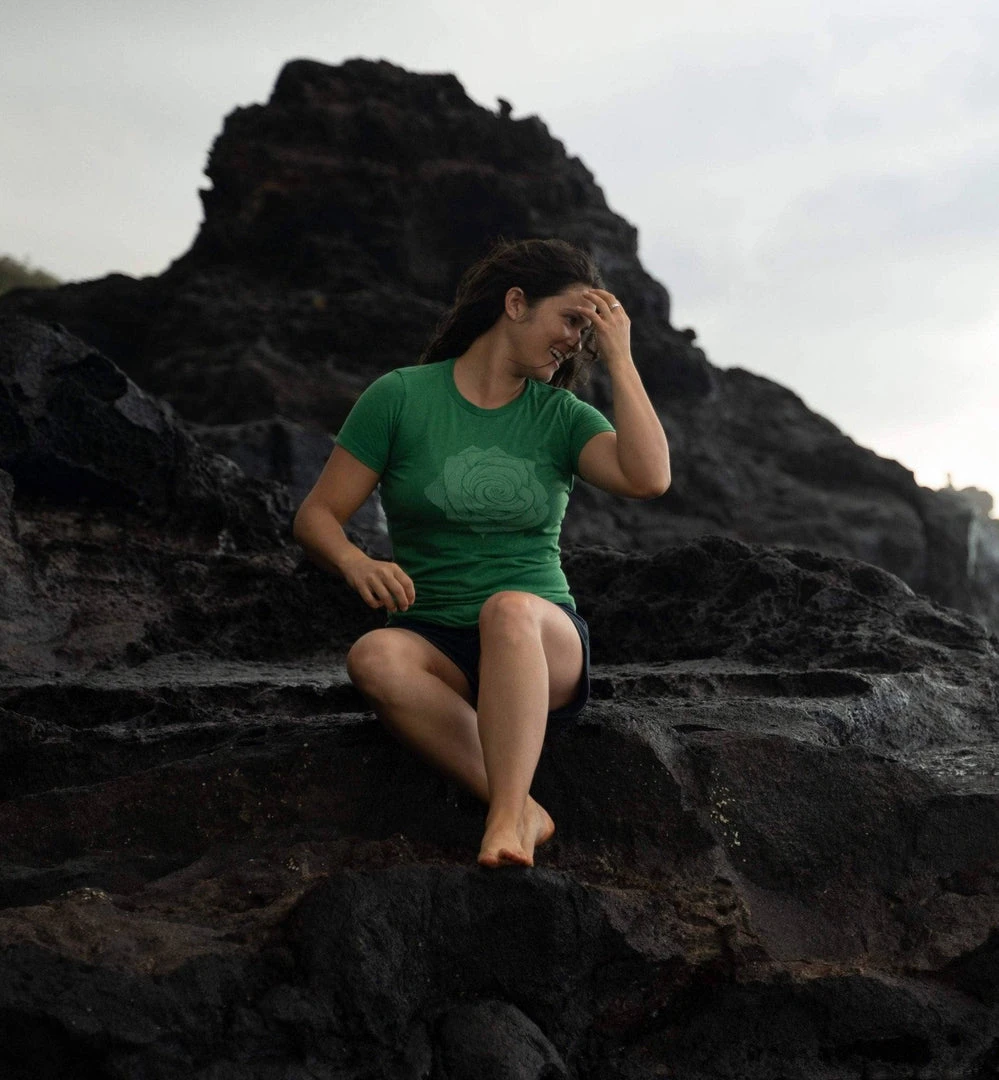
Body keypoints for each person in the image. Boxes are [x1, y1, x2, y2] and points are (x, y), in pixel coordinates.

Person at [294, 238, 670, 868]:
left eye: (587, 330)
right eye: (570, 319)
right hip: (434, 637)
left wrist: (621, 358)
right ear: (516, 303)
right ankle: (525, 810)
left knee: (508, 610)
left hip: (541, 640)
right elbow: (317, 516)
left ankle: (503, 822)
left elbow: (649, 477)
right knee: (374, 656)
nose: (576, 340)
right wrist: (357, 561)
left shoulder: (561, 416)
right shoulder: (401, 397)